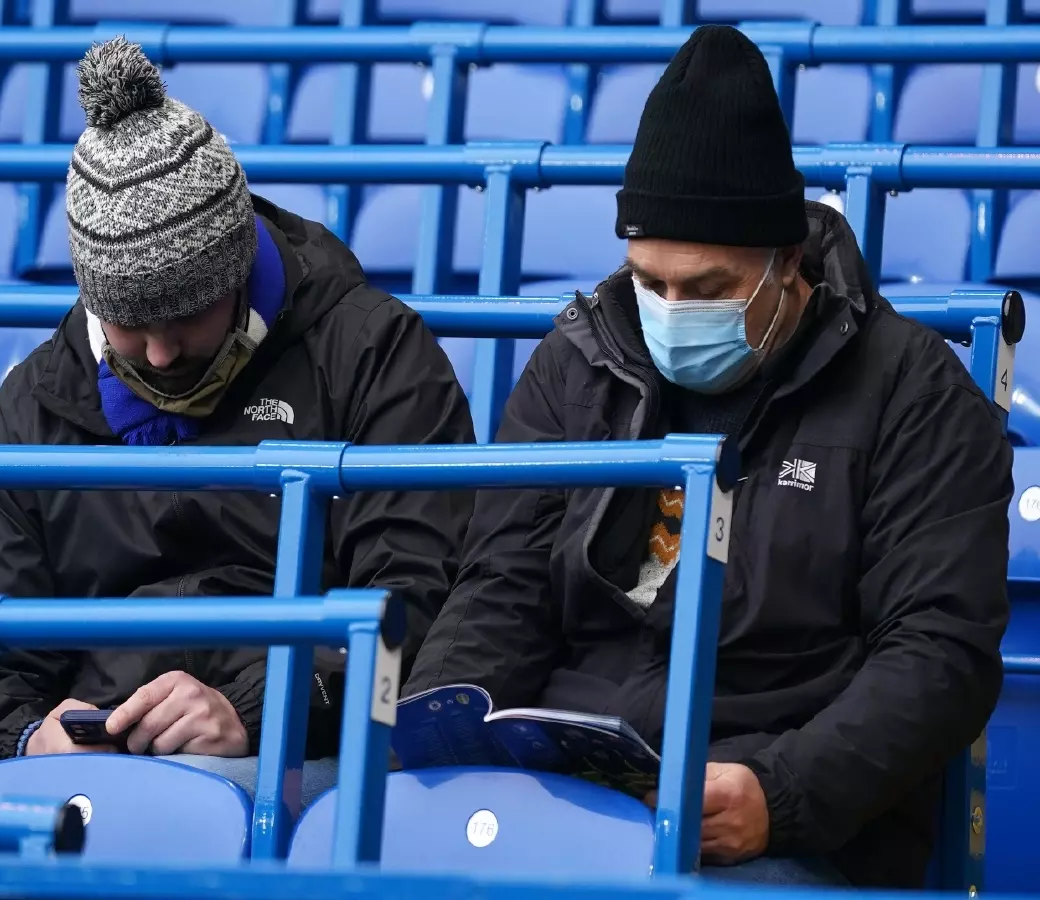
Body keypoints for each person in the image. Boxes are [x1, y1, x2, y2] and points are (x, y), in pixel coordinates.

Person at [405, 24, 1011, 888]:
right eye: (649, 282)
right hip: (569, 778)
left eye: (708, 289)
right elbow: (501, 584)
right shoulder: (579, 361)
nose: (669, 309)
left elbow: (937, 653)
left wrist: (784, 792)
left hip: (774, 799)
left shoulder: (913, 394)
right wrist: (443, 736)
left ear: (785, 263)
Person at [0, 38, 475, 806]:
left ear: (237, 270)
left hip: (300, 763)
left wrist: (256, 715)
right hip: (79, 779)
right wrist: (33, 737)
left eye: (187, 316)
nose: (161, 355)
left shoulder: (373, 352)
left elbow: (416, 609)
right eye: (129, 323)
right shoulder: (32, 403)